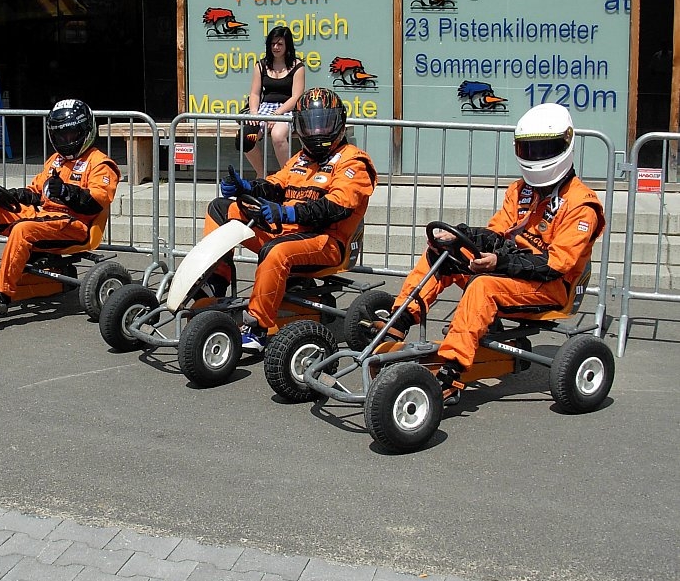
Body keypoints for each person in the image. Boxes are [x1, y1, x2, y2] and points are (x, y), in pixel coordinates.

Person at [375, 103, 605, 406]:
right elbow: (497, 234)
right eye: (529, 150)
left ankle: (450, 371)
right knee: (441, 255)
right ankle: (399, 322)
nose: (536, 157)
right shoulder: (520, 191)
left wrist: (501, 262)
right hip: (511, 273)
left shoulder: (581, 204)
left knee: (483, 286)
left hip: (550, 286)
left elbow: (557, 264)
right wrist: (462, 237)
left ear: (566, 144)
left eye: (544, 149)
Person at [209, 87, 377, 353]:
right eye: (311, 125)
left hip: (327, 242)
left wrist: (288, 213)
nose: (317, 131)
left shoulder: (353, 162)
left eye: (324, 124)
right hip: (288, 232)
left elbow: (337, 207)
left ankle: (256, 327)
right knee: (220, 210)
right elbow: (277, 185)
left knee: (276, 251)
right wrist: (247, 187)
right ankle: (215, 283)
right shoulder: (301, 159)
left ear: (339, 124)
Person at [0, 98, 120, 314]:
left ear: (85, 131)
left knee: (23, 230)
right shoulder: (56, 160)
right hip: (46, 217)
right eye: (60, 135)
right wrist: (10, 196)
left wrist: (66, 192)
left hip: (75, 225)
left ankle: (2, 293)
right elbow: (35, 191)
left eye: (71, 134)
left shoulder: (100, 163)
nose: (65, 140)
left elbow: (97, 202)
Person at [239, 26, 306, 177]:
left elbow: (296, 97)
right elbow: (254, 93)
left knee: (278, 135)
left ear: (287, 45)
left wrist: (276, 114)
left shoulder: (298, 66)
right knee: (245, 138)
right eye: (273, 44)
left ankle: (287, 176)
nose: (276, 47)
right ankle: (261, 174)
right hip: (264, 109)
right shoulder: (261, 65)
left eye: (280, 44)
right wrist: (254, 113)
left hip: (287, 109)